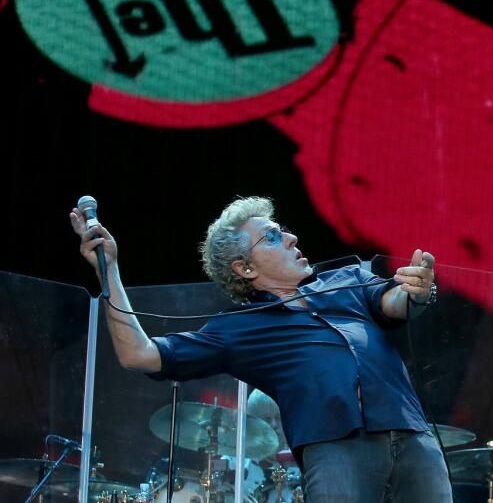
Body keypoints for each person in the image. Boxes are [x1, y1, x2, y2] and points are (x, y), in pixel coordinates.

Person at [69, 196, 453, 503]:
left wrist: (417, 290)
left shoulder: (347, 280)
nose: (291, 238)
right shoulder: (240, 329)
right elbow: (138, 353)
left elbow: (394, 302)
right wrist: (109, 271)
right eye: (271, 237)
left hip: (413, 437)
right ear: (245, 269)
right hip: (337, 450)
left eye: (283, 231)